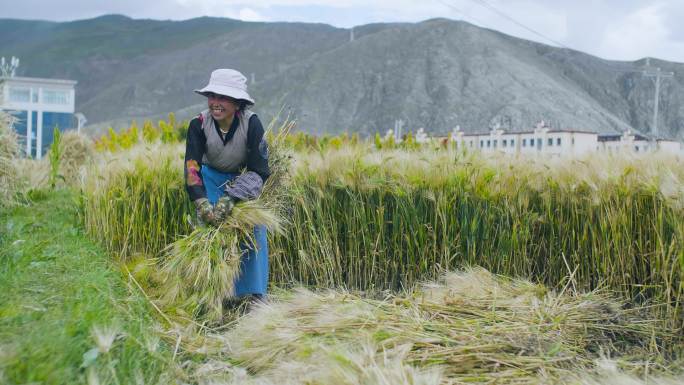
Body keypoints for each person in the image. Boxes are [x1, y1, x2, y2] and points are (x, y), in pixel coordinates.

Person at [184, 68, 270, 302]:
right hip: (209, 182)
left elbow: (259, 170)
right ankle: (214, 297)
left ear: (237, 102)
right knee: (209, 235)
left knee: (252, 233)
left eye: (222, 98)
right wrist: (201, 202)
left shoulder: (252, 124)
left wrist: (231, 198)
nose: (215, 103)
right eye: (212, 96)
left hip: (243, 183)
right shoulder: (199, 124)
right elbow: (192, 169)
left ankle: (254, 295)